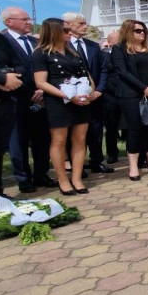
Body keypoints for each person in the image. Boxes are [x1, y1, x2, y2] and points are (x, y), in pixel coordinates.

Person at [32, 18, 99, 195]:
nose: (70, 33)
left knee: (80, 140)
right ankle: (63, 180)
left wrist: (90, 92)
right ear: (53, 32)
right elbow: (41, 82)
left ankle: (76, 178)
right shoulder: (41, 53)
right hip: (58, 102)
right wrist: (69, 96)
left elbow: (87, 76)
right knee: (59, 141)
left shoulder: (73, 52)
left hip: (81, 101)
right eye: (65, 30)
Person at [1, 7, 57, 193]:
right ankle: (23, 178)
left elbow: (47, 68)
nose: (29, 22)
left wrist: (42, 89)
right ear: (9, 22)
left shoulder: (36, 42)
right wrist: (30, 93)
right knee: (19, 142)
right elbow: (8, 72)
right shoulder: (3, 42)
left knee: (42, 139)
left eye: (28, 19)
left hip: (41, 98)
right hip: (16, 99)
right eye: (24, 19)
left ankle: (41, 174)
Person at [111, 19, 148, 181]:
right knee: (135, 130)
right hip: (131, 95)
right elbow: (123, 72)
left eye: (143, 30)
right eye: (138, 30)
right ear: (128, 32)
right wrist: (144, 88)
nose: (142, 33)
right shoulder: (119, 49)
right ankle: (134, 167)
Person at [64, 12, 113, 174]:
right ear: (68, 25)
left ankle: (96, 161)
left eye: (85, 23)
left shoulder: (92, 46)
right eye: (81, 24)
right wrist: (74, 94)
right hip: (73, 99)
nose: (85, 26)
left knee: (96, 130)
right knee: (75, 133)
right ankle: (77, 166)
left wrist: (98, 90)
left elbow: (103, 69)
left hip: (94, 97)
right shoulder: (63, 45)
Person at [0, 5, 24, 199]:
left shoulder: (0, 39)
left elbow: (19, 63)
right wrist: (1, 79)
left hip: (4, 103)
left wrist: (12, 77)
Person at [99, 31, 121, 164]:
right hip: (110, 95)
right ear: (110, 42)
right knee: (111, 126)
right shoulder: (104, 56)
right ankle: (112, 153)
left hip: (127, 93)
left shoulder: (128, 54)